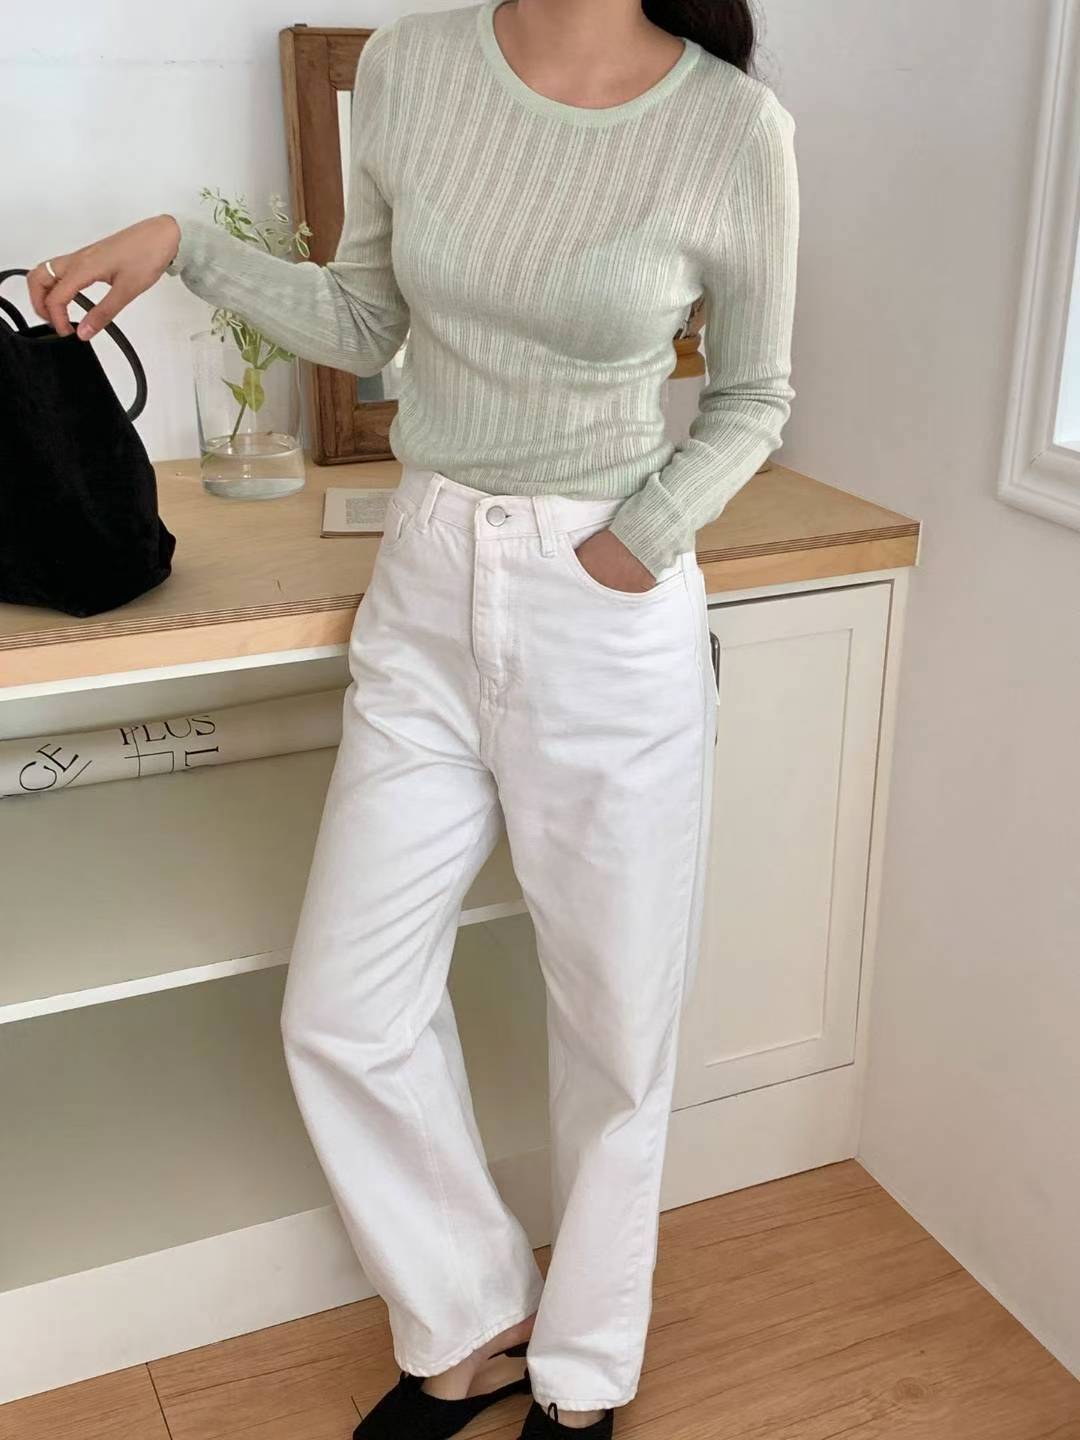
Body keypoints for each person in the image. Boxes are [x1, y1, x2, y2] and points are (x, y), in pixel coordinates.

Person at [28, 1, 799, 1434]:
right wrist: (186, 246)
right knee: (345, 1006)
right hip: (428, 578)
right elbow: (367, 318)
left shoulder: (729, 125)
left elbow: (754, 396)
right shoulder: (411, 64)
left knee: (616, 1030)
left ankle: (584, 1381)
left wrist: (636, 542)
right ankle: (468, 1317)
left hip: (604, 601)